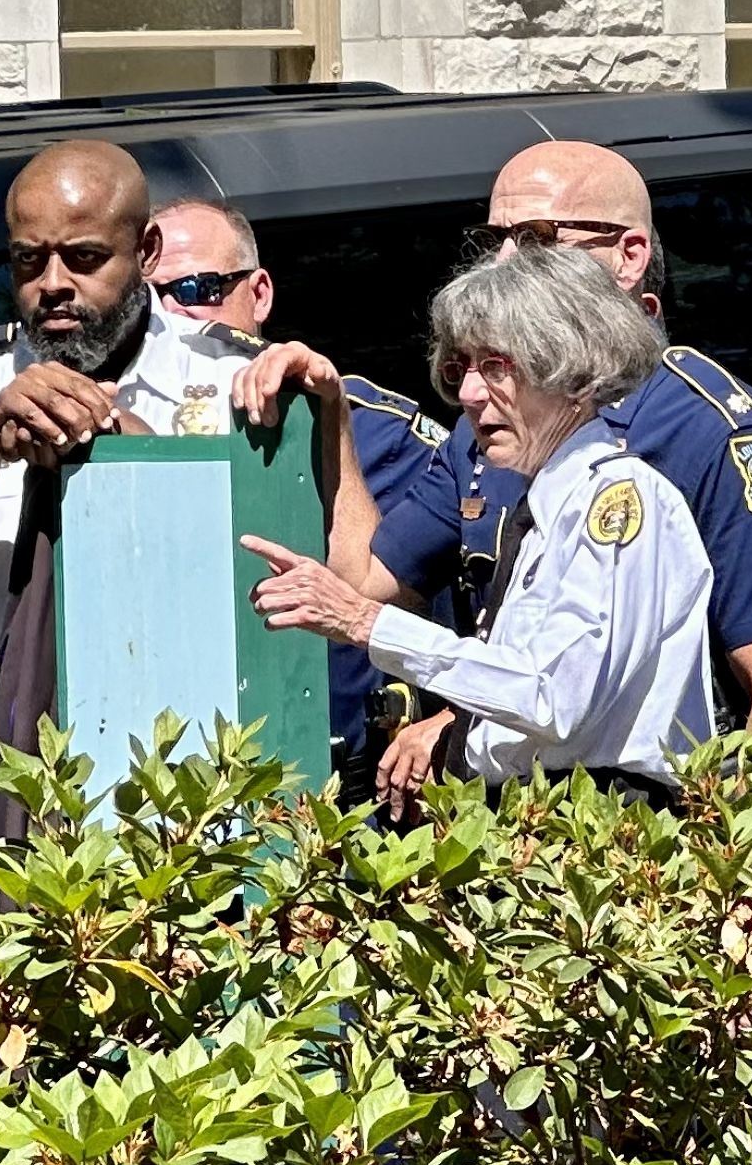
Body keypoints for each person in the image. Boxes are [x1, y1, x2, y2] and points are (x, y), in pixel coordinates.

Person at [0, 142, 353, 748]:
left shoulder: (236, 380)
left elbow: (298, 597)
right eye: (28, 262)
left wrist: (125, 449)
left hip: (179, 775)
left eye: (84, 258)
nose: (53, 284)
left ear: (146, 253)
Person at [365, 140, 752, 737]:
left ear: (629, 257)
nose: (503, 263)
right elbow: (370, 587)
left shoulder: (704, 427)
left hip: (650, 812)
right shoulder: (494, 424)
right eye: (493, 242)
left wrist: (742, 827)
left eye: (538, 238)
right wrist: (330, 414)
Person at [242, 245, 714, 811]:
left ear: (572, 370)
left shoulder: (617, 499)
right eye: (458, 367)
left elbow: (556, 700)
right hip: (539, 819)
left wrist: (367, 623)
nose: (467, 395)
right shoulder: (543, 500)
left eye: (496, 367)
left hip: (607, 824)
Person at [150, 195, 458, 795]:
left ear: (259, 294)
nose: (174, 316)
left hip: (354, 795)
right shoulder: (119, 435)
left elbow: (471, 604)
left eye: (195, 287)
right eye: (151, 299)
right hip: (179, 792)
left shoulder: (373, 428)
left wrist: (452, 718)